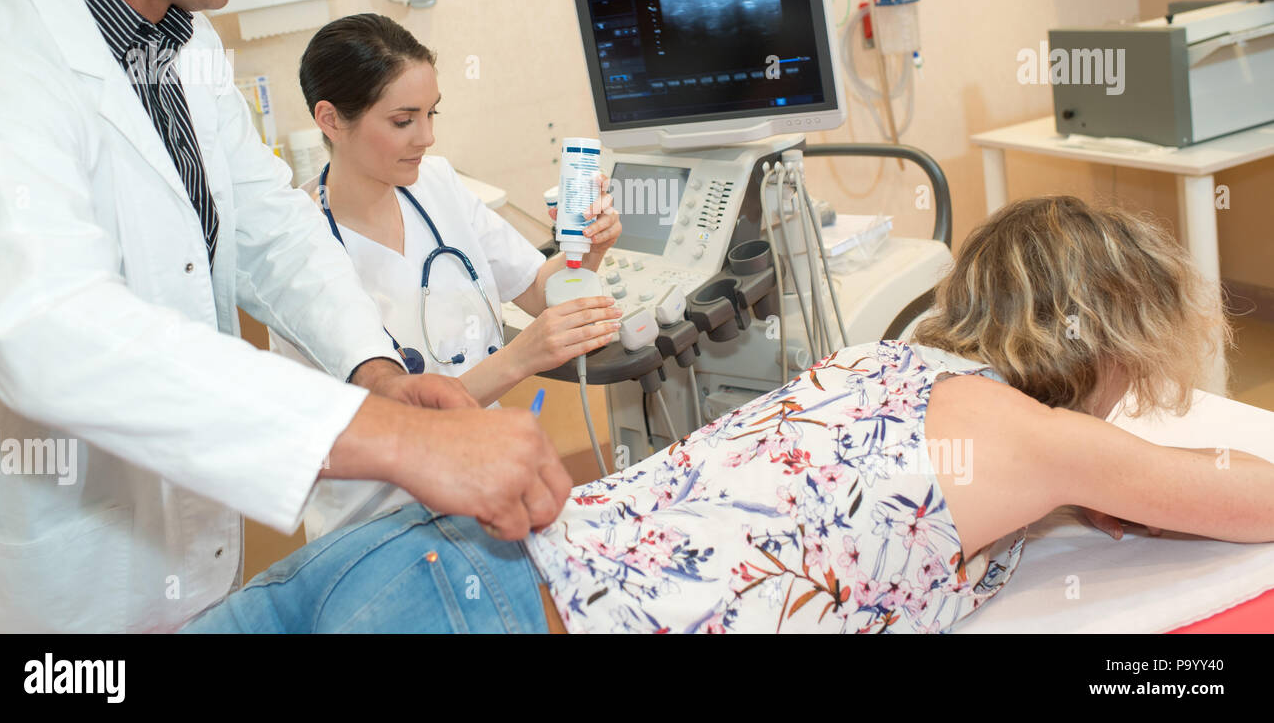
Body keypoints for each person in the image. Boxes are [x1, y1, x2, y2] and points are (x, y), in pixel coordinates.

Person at [0, 0, 567, 633]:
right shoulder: (0, 66)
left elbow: (270, 228)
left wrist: (377, 377)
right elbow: (47, 330)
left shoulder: (184, 46)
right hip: (72, 596)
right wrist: (397, 443)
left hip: (194, 559)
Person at [186, 195, 1274, 634]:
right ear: (1110, 333)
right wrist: (1122, 468)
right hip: (491, 610)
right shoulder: (1040, 437)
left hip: (418, 554)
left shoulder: (877, 357)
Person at [273, 14, 624, 538]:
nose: (427, 137)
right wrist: (521, 358)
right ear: (330, 120)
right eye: (403, 120)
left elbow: (536, 291)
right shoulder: (295, 246)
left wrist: (587, 250)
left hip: (485, 485)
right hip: (380, 522)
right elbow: (378, 425)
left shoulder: (435, 183)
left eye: (431, 114)